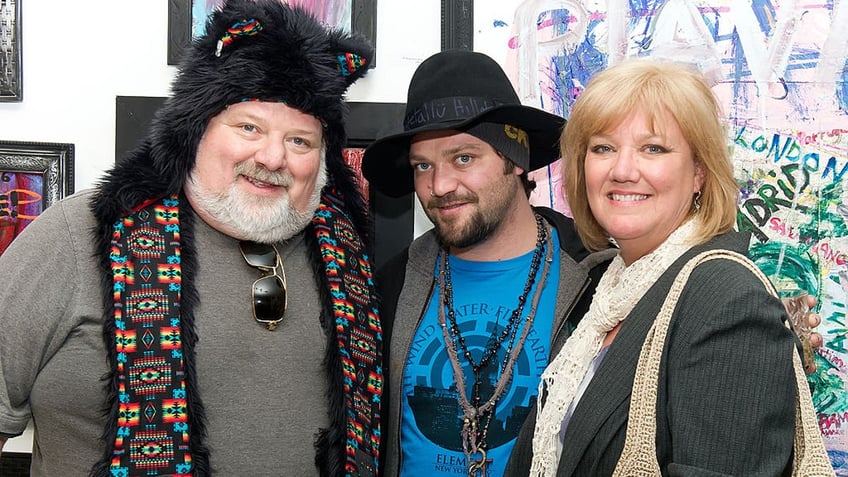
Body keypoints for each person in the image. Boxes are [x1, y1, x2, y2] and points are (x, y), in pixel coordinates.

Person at [0, 1, 382, 475]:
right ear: (195, 131)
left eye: (300, 141)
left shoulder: (348, 264)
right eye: (249, 127)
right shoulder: (76, 237)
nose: (272, 157)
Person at [505, 58, 827, 476]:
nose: (622, 170)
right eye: (603, 148)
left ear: (699, 173)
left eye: (652, 148)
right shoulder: (610, 290)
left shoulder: (728, 299)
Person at [361, 50, 617, 477]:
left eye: (463, 158)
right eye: (423, 165)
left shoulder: (599, 284)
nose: (439, 186)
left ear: (513, 159)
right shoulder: (392, 284)